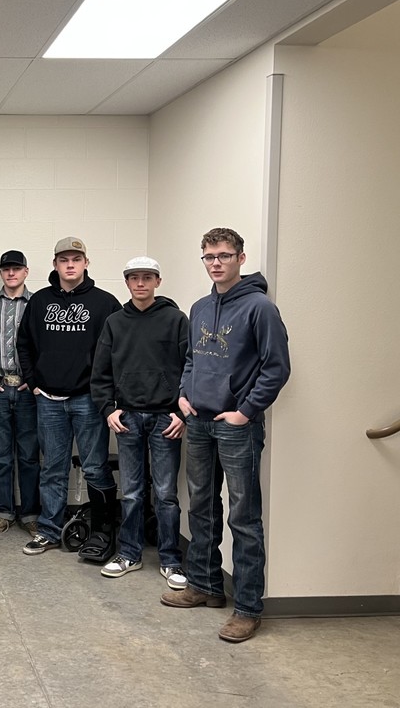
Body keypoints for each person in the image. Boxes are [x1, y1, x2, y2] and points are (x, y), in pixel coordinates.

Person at [162, 228, 290, 644]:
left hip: (237, 428)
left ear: (240, 257)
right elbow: (190, 359)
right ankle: (205, 585)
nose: (216, 262)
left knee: (244, 517)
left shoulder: (259, 308)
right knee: (200, 506)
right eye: (209, 256)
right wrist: (183, 395)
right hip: (197, 421)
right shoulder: (200, 307)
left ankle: (248, 608)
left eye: (224, 255)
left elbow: (276, 367)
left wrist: (245, 412)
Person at [17, 237, 122, 560]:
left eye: (77, 258)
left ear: (86, 263)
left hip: (88, 400)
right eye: (64, 259)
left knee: (95, 467)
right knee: (53, 469)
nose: (71, 264)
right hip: (48, 399)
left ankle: (104, 532)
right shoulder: (40, 302)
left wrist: (105, 392)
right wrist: (34, 382)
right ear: (55, 265)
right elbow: (24, 344)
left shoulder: (106, 303)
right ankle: (48, 530)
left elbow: (118, 350)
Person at [91, 256, 189, 590]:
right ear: (128, 283)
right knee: (131, 491)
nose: (141, 284)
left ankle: (171, 559)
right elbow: (100, 371)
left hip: (166, 419)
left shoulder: (176, 320)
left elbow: (190, 368)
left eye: (148, 278)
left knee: (165, 493)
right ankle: (129, 555)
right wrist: (108, 409)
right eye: (134, 278)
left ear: (158, 282)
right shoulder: (115, 322)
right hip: (128, 417)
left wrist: (181, 412)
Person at [0, 250, 40, 536]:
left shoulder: (39, 303)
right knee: (2, 456)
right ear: (1, 272)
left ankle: (30, 514)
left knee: (29, 455)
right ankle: (3, 512)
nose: (11, 273)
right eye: (6, 269)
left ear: (26, 272)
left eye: (16, 269)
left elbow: (47, 345)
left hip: (28, 390)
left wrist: (36, 378)